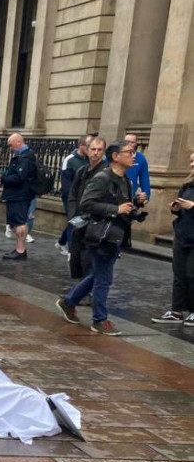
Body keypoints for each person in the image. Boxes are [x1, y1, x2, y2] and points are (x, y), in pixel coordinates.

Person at [55, 142, 147, 336]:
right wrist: (115, 209)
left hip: (115, 235)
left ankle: (69, 301)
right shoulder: (102, 178)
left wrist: (136, 204)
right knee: (104, 278)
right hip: (100, 235)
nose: (134, 156)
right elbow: (86, 203)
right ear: (115, 156)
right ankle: (99, 320)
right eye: (129, 152)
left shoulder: (126, 181)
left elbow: (123, 206)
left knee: (98, 274)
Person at [152, 152, 194, 326]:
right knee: (179, 274)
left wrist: (193, 206)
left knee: (192, 274)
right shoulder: (187, 185)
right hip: (183, 234)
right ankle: (176, 311)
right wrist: (176, 209)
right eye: (191, 160)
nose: (192, 164)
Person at [66, 137, 108, 282]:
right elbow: (72, 195)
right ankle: (78, 290)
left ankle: (86, 293)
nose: (96, 153)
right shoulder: (81, 171)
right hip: (79, 221)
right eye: (93, 149)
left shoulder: (106, 173)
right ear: (87, 150)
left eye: (99, 150)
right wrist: (72, 216)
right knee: (75, 257)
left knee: (88, 260)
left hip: (94, 223)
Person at [1, 133, 38, 260]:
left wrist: (3, 177)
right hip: (16, 195)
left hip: (20, 195)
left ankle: (21, 250)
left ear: (18, 142)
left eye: (10, 145)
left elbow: (19, 177)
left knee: (20, 222)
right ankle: (19, 248)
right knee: (16, 223)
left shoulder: (25, 157)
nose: (9, 147)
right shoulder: (21, 156)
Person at [58, 136, 93, 256]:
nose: (92, 150)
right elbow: (66, 182)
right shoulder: (70, 160)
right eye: (89, 147)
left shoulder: (91, 160)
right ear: (81, 146)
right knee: (73, 222)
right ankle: (72, 251)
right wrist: (71, 199)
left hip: (85, 198)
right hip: (71, 198)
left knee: (76, 222)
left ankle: (62, 241)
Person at [123, 132, 151, 249]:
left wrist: (146, 196)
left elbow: (145, 179)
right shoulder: (119, 156)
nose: (129, 144)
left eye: (132, 142)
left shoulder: (140, 158)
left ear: (136, 144)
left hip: (130, 195)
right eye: (127, 142)